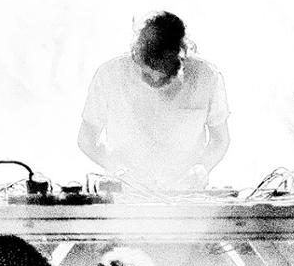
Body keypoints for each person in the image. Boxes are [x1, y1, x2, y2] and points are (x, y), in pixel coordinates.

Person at [77, 12, 230, 193]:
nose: (155, 80)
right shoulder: (109, 75)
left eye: (165, 76)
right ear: (136, 56)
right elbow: (86, 139)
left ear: (182, 58)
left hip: (186, 194)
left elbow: (220, 140)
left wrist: (201, 169)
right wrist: (117, 168)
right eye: (147, 73)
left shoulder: (207, 76)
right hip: (126, 194)